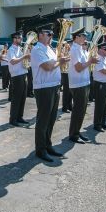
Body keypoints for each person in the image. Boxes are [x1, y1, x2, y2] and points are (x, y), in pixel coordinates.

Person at [30, 24, 70, 162]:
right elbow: (47, 67)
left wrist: (60, 61)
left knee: (51, 119)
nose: (51, 37)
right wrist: (60, 61)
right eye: (49, 34)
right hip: (44, 88)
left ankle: (48, 145)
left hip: (54, 86)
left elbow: (54, 64)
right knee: (43, 119)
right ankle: (40, 150)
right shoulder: (37, 49)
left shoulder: (50, 49)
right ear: (40, 34)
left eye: (52, 35)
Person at [68, 27, 98, 144]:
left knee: (81, 110)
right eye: (83, 36)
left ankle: (77, 131)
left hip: (84, 82)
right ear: (77, 37)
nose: (85, 38)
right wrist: (90, 62)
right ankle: (73, 134)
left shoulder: (80, 49)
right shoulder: (74, 50)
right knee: (78, 110)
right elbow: (79, 67)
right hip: (78, 84)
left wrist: (90, 60)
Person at [7, 31, 30, 127]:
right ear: (14, 39)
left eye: (21, 38)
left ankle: (19, 117)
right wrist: (24, 56)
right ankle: (13, 119)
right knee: (16, 99)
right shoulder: (11, 49)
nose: (21, 40)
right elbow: (12, 61)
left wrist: (27, 55)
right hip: (17, 76)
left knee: (23, 98)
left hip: (24, 74)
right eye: (20, 38)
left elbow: (25, 60)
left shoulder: (20, 49)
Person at [60, 40, 73, 113]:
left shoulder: (70, 51)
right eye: (68, 44)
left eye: (70, 44)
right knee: (66, 91)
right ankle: (64, 107)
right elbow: (63, 59)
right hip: (65, 72)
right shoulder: (62, 51)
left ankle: (70, 105)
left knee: (70, 90)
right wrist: (68, 56)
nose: (69, 46)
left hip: (70, 72)